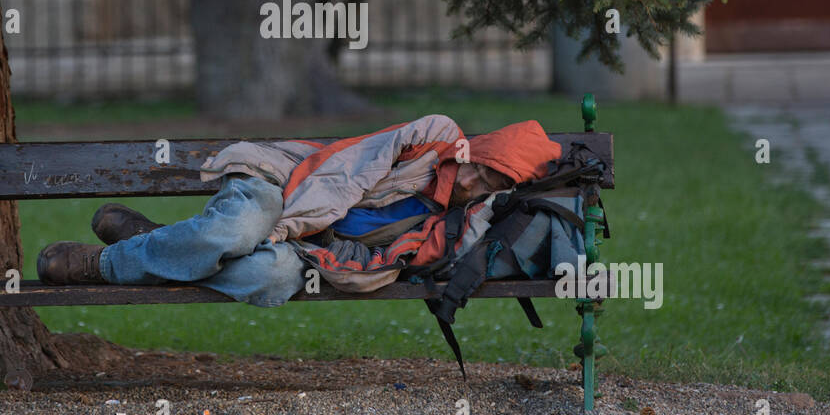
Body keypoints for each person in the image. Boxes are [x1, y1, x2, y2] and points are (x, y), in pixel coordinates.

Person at [36, 114, 563, 306]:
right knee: (244, 228)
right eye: (480, 165)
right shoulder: (435, 136)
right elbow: (341, 178)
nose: (472, 180)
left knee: (270, 276)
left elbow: (380, 258)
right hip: (281, 183)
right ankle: (103, 265)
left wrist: (313, 249)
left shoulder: (455, 225)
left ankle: (165, 240)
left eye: (490, 182)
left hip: (303, 246)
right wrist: (285, 227)